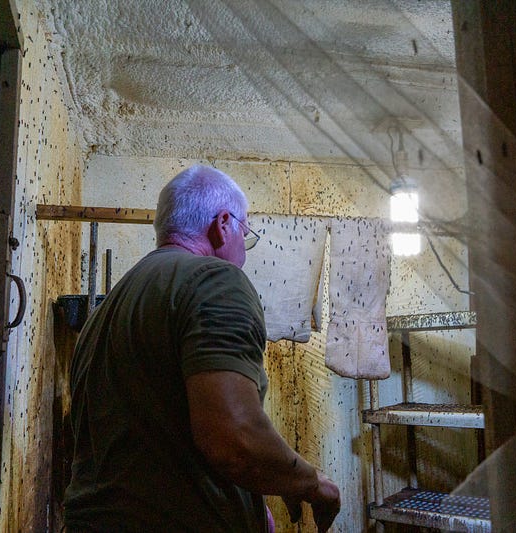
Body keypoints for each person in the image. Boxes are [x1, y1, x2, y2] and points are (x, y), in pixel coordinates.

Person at [63, 165, 341, 532]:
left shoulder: (105, 313)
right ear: (223, 224)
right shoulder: (215, 280)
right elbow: (232, 437)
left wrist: (247, 500)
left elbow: (113, 439)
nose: (244, 248)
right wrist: (310, 482)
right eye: (246, 233)